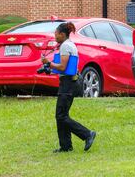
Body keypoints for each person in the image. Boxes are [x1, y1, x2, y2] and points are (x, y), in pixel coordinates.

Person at [41, 22, 96, 153]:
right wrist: (49, 68)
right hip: (68, 82)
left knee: (61, 116)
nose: (54, 36)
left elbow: (62, 67)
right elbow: (66, 68)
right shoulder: (67, 45)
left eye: (56, 34)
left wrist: (49, 63)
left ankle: (87, 134)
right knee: (62, 115)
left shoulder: (65, 46)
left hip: (68, 85)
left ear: (62, 34)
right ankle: (65, 146)